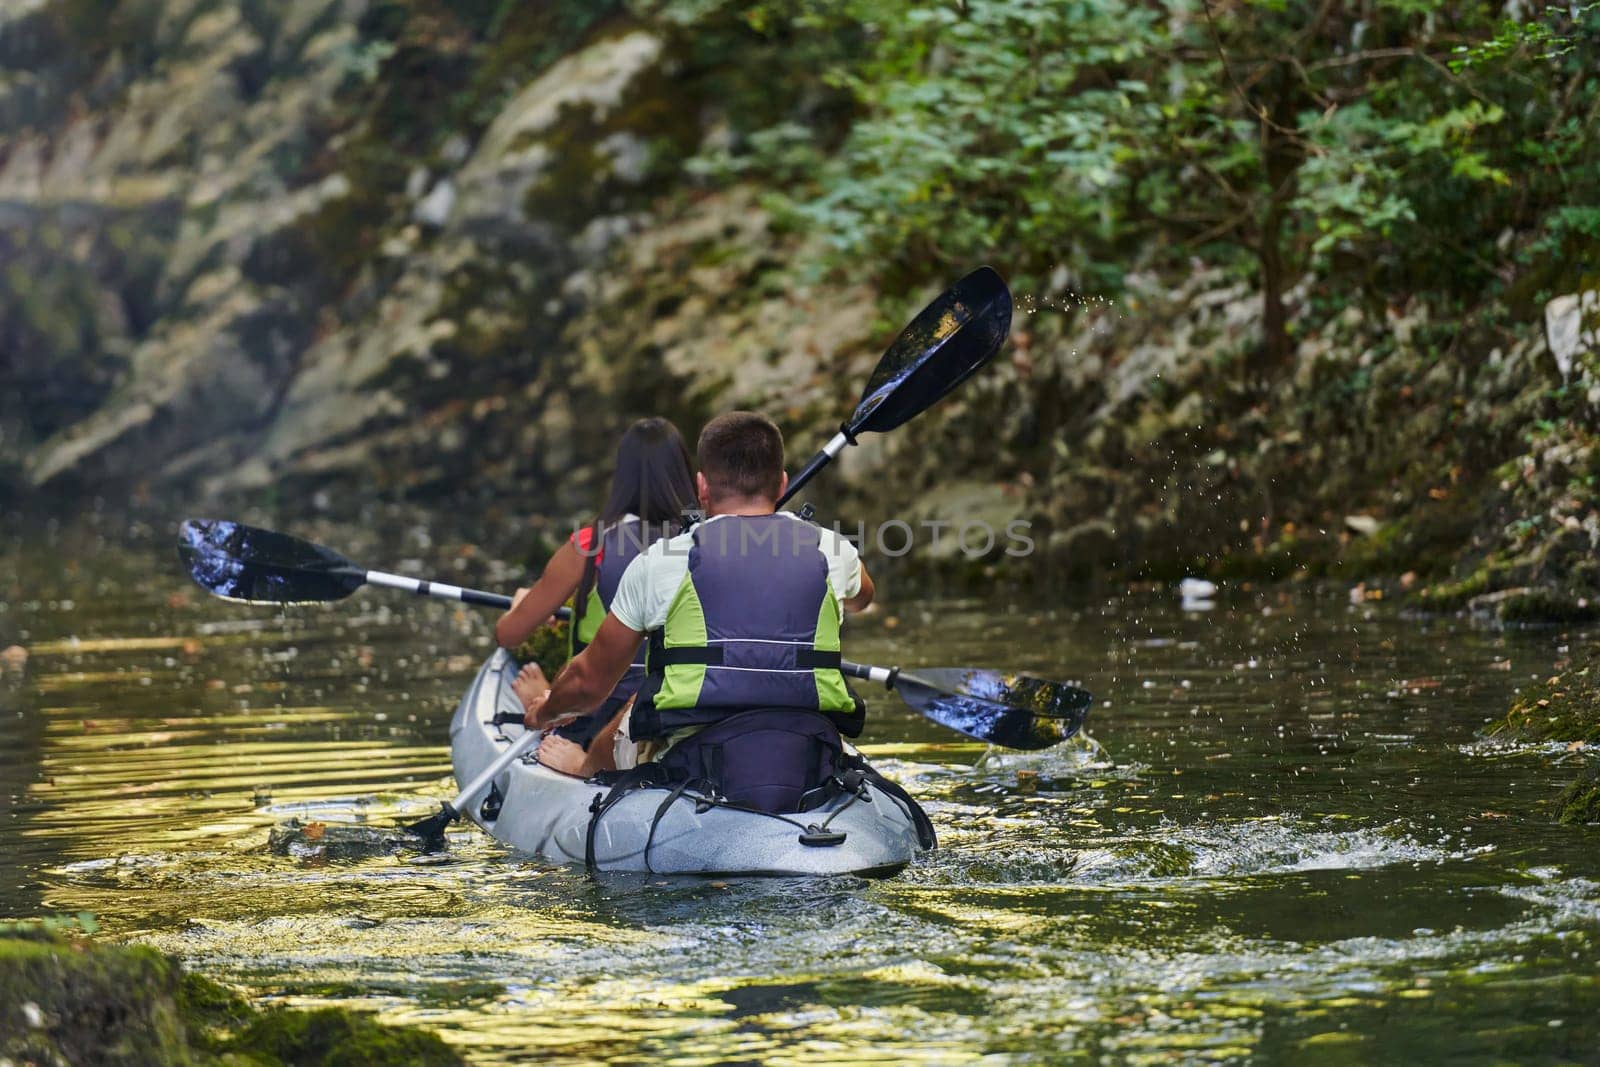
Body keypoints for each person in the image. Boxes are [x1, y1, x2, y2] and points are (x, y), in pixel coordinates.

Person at [524, 411, 876, 811]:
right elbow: (862, 598)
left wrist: (545, 711)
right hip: (807, 740)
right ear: (781, 482)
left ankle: (587, 768)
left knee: (630, 706)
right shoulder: (833, 550)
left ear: (702, 486)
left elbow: (588, 684)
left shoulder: (663, 560)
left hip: (694, 753)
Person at [495, 417, 696, 776]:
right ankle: (547, 699)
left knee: (579, 686)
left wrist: (522, 604)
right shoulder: (712, 540)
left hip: (603, 711)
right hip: (683, 698)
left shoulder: (591, 544)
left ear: (621, 476)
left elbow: (508, 635)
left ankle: (544, 703)